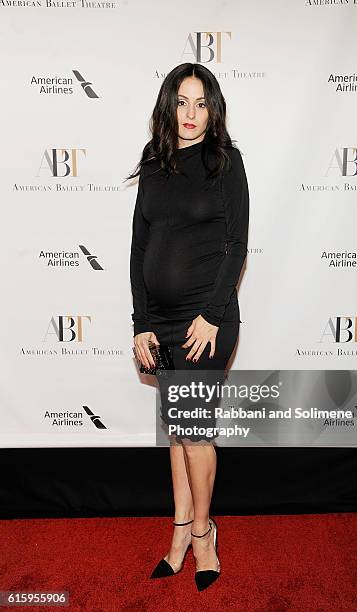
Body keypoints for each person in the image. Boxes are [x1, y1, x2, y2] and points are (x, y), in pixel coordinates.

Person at [125, 62, 249, 591]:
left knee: (195, 437)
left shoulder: (226, 162)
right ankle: (179, 531)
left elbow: (236, 246)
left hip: (206, 321)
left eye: (202, 103)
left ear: (213, 109)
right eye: (182, 102)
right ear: (168, 106)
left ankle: (203, 535)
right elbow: (138, 250)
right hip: (162, 325)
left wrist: (212, 315)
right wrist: (142, 322)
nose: (192, 113)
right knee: (177, 436)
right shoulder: (154, 165)